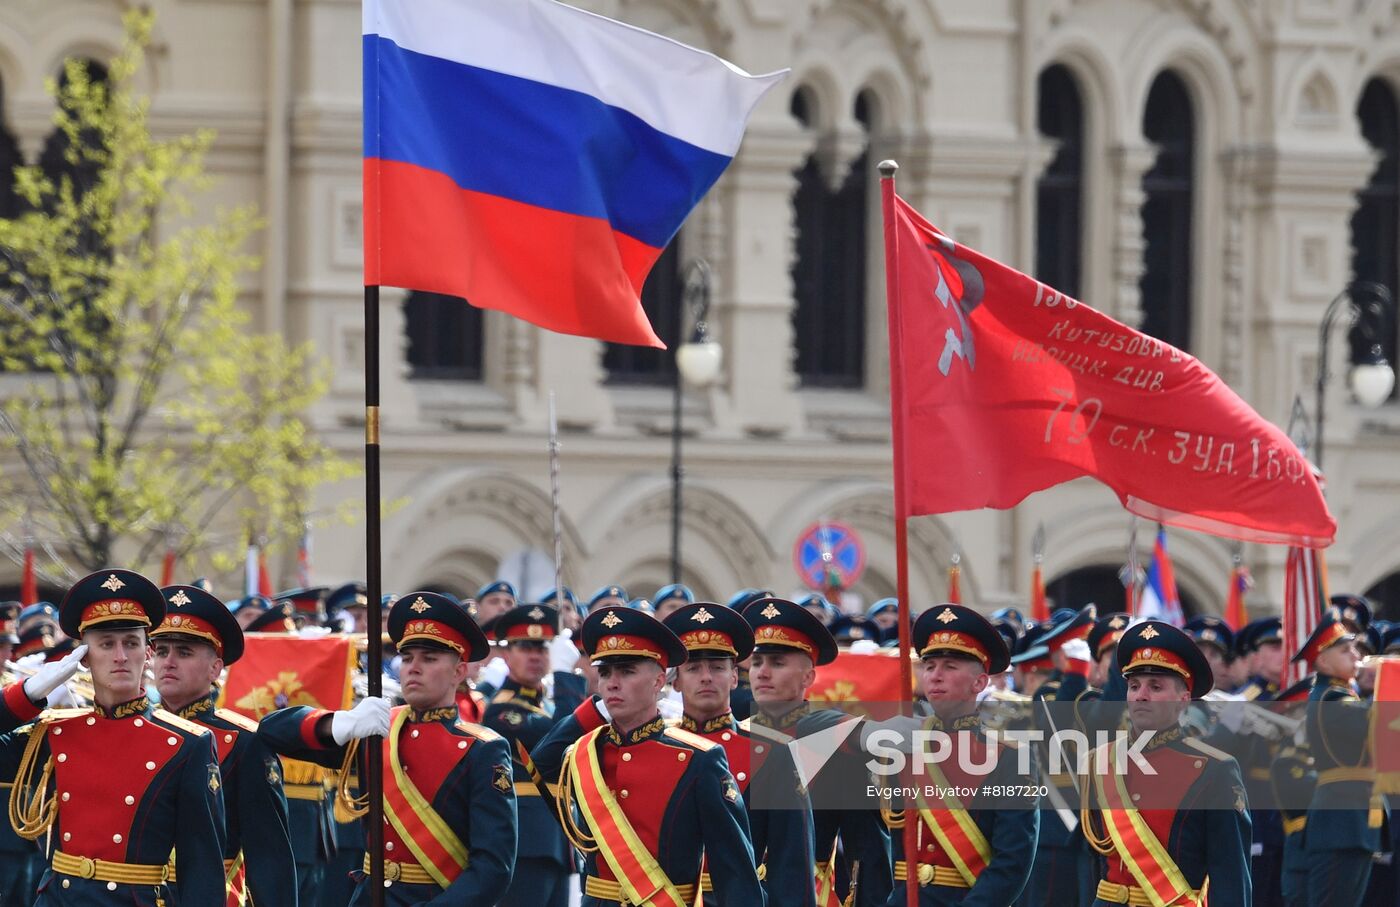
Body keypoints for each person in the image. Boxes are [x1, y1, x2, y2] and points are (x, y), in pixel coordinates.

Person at [260, 591, 517, 904]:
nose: (414, 668)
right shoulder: (379, 730)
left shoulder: (482, 749)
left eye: (429, 659)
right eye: (407, 658)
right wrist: (340, 723)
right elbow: (272, 730)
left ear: (459, 672)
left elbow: (493, 868)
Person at [0, 569, 226, 904]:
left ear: (147, 653)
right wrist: (27, 694)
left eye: (131, 643)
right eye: (106, 644)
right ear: (84, 657)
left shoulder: (186, 743)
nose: (120, 656)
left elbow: (202, 866)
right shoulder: (55, 733)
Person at [530, 605, 763, 906]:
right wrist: (595, 708)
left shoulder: (699, 758)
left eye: (627, 671)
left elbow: (734, 874)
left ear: (658, 681)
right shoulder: (586, 752)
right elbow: (541, 764)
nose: (613, 682)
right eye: (605, 673)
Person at [1081, 619, 1252, 906]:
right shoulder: (1101, 761)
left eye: (1156, 687)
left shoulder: (1214, 769)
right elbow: (1092, 866)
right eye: (1134, 686)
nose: (1141, 696)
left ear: (1183, 699)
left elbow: (1231, 876)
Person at [150, 583, 297, 906]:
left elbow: (269, 855)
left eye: (184, 652)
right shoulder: (139, 730)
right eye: (161, 651)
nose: (168, 662)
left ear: (215, 668)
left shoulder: (245, 742)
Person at [742, 596, 893, 907]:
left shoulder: (836, 743)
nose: (763, 673)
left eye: (777, 663)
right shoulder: (732, 738)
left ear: (808, 677)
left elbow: (866, 850)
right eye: (757, 662)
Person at [885, 603, 1039, 905]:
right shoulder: (903, 745)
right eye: (929, 666)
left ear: (979, 682)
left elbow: (1013, 861)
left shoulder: (1009, 755)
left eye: (950, 666)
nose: (935, 676)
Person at [663, 601, 814, 906]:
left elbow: (791, 865)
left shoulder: (774, 752)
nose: (706, 677)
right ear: (675, 681)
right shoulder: (660, 746)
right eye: (693, 668)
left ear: (734, 676)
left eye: (717, 667)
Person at [482, 603, 587, 907]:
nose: (535, 656)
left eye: (542, 648)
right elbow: (564, 741)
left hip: (557, 840)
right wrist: (565, 675)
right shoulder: (501, 710)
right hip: (525, 841)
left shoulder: (547, 706)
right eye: (525, 647)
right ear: (507, 654)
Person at [1295, 607, 1377, 907]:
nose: (1356, 655)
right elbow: (1376, 721)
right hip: (1340, 820)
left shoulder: (1344, 696)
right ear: (1323, 661)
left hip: (1354, 819)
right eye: (1345, 650)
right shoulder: (1330, 698)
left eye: (1355, 648)